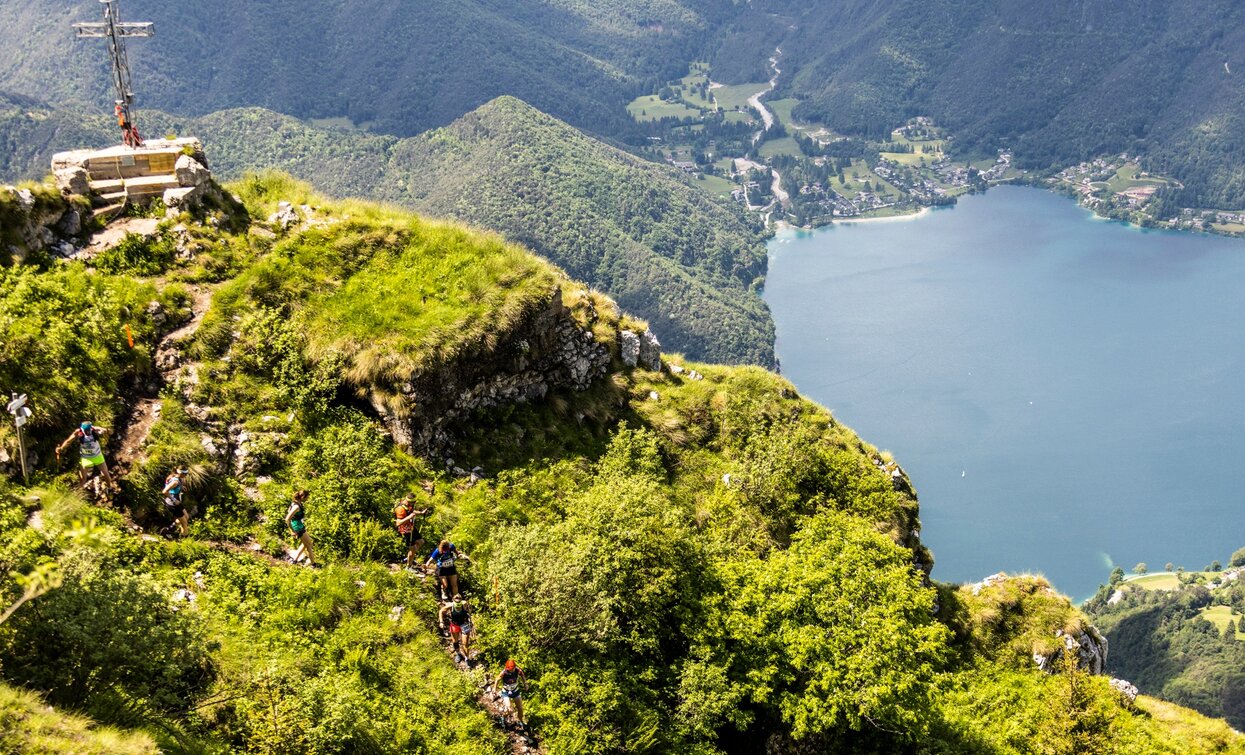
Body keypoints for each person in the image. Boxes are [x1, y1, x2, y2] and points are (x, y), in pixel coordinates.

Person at [56, 421, 114, 490]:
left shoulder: (95, 429)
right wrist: (61, 448)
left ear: (90, 428)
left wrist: (106, 431)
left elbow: (111, 432)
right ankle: (78, 493)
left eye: (88, 430)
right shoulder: (78, 432)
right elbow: (69, 441)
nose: (87, 432)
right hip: (85, 458)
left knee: (106, 474)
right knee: (83, 478)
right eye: (85, 431)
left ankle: (109, 488)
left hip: (97, 456)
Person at [394, 494, 429, 571]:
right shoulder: (400, 509)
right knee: (412, 548)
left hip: (411, 527)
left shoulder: (409, 505)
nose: (414, 504)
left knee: (421, 542)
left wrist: (421, 513)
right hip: (405, 530)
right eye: (413, 503)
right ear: (409, 501)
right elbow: (398, 523)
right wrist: (409, 517)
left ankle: (410, 557)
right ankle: (408, 567)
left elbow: (411, 511)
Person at [438, 596, 476, 662]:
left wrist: (471, 623)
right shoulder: (450, 606)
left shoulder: (464, 604)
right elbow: (441, 611)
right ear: (453, 601)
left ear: (461, 600)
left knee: (465, 643)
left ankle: (467, 658)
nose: (458, 606)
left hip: (464, 624)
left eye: (459, 601)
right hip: (454, 625)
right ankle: (458, 654)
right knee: (455, 641)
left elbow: (469, 612)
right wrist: (441, 622)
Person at [494, 659, 528, 729]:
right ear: (507, 668)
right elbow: (497, 679)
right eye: (510, 670)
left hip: (515, 691)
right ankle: (503, 717)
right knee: (510, 710)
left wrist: (525, 684)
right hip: (506, 692)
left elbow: (522, 675)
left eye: (512, 669)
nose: (511, 671)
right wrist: (495, 688)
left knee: (520, 709)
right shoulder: (504, 672)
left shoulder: (517, 670)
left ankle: (521, 721)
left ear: (515, 667)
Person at [285, 490, 315, 567]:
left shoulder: (295, 503)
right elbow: (287, 518)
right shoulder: (296, 506)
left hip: (299, 525)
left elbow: (289, 511)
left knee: (305, 543)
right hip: (297, 527)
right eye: (307, 497)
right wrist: (292, 530)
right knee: (309, 544)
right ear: (303, 497)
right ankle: (313, 564)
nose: (308, 499)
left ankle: (295, 560)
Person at [161, 467, 191, 538]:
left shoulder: (176, 477)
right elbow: (164, 491)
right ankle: (185, 539)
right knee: (184, 523)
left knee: (186, 517)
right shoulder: (175, 482)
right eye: (185, 474)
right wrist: (174, 500)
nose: (186, 475)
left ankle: (168, 530)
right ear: (180, 473)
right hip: (173, 503)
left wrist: (181, 487)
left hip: (177, 502)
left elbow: (174, 487)